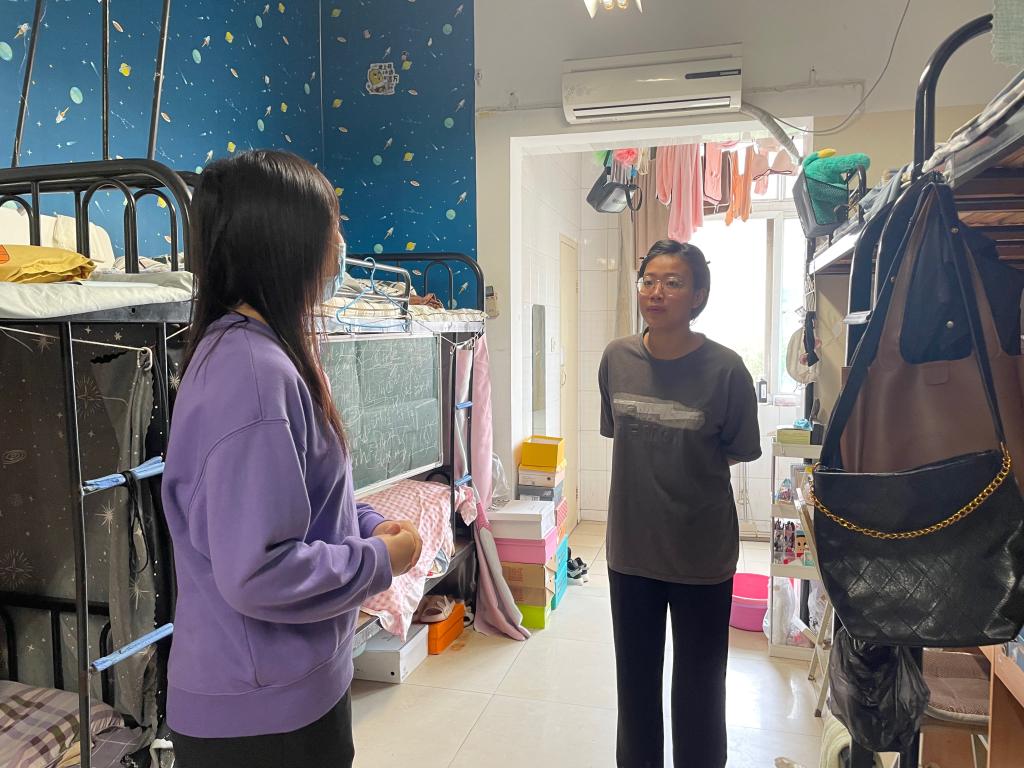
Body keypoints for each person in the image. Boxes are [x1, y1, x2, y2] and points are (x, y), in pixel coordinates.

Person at [162, 150, 423, 768]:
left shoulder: (262, 354)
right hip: (261, 717)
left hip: (285, 691)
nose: (340, 245)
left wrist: (366, 523)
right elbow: (259, 572)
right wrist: (381, 559)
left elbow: (301, 499)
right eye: (334, 227)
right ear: (289, 241)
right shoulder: (253, 374)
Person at [598, 239, 762, 767]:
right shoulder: (616, 358)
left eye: (673, 283)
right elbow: (619, 431)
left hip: (701, 555)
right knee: (635, 688)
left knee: (700, 690)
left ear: (698, 296)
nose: (656, 292)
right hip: (631, 553)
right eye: (648, 281)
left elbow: (737, 449)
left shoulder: (727, 369)